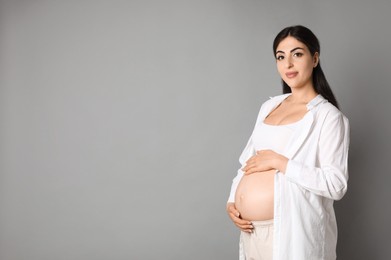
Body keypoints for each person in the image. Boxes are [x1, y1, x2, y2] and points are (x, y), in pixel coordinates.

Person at [226, 25, 350, 260]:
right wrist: (232, 200)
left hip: (291, 232)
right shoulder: (268, 107)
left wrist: (280, 162)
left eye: (297, 54)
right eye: (280, 57)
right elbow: (246, 162)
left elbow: (336, 184)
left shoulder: (329, 117)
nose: (288, 64)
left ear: (315, 58)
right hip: (251, 232)